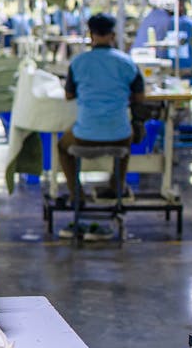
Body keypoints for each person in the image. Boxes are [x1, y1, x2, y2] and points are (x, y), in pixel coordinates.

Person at [59, 13, 144, 210]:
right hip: (119, 134)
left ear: (91, 35)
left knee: (62, 147)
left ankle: (76, 194)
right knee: (127, 138)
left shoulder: (79, 63)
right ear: (113, 35)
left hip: (85, 135)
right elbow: (140, 98)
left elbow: (69, 95)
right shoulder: (127, 63)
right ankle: (117, 186)